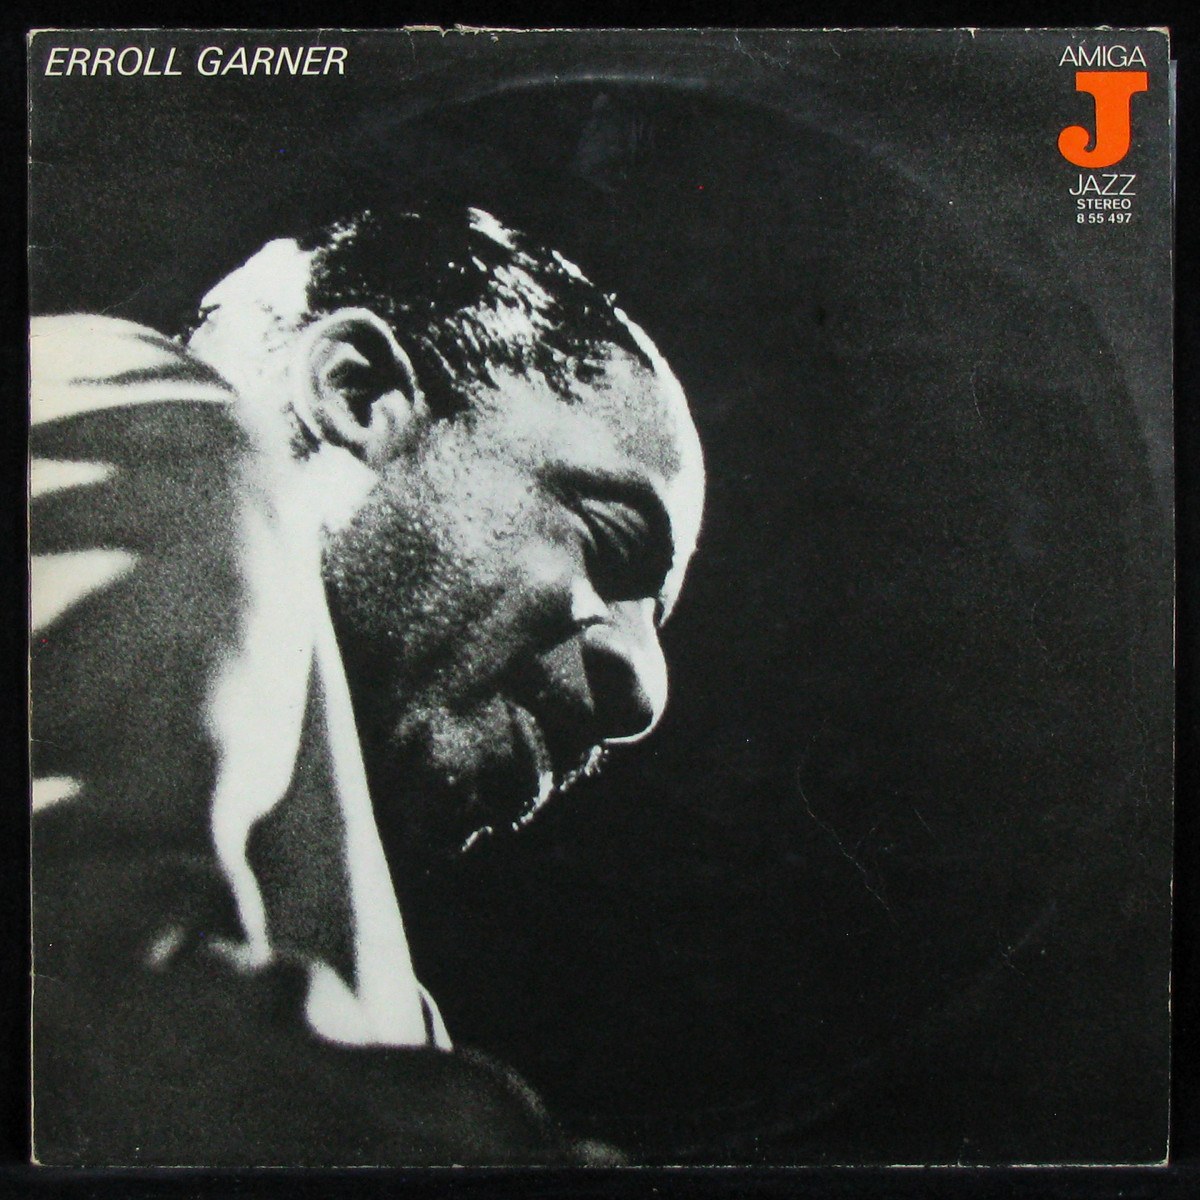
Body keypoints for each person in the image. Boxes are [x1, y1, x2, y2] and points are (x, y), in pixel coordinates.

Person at [28, 206, 704, 1165]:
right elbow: (80, 1001)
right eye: (611, 539)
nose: (643, 691)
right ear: (358, 393)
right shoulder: (165, 418)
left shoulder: (398, 1020)